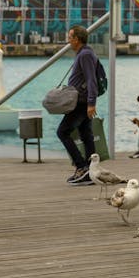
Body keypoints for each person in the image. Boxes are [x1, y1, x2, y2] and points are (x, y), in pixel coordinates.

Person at [58, 25, 100, 185]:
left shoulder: (85, 55)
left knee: (62, 132)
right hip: (82, 101)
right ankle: (91, 172)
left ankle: (82, 166)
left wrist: (91, 103)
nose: (68, 40)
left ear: (76, 39)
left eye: (70, 37)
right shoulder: (84, 53)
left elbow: (91, 80)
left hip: (81, 102)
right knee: (85, 134)